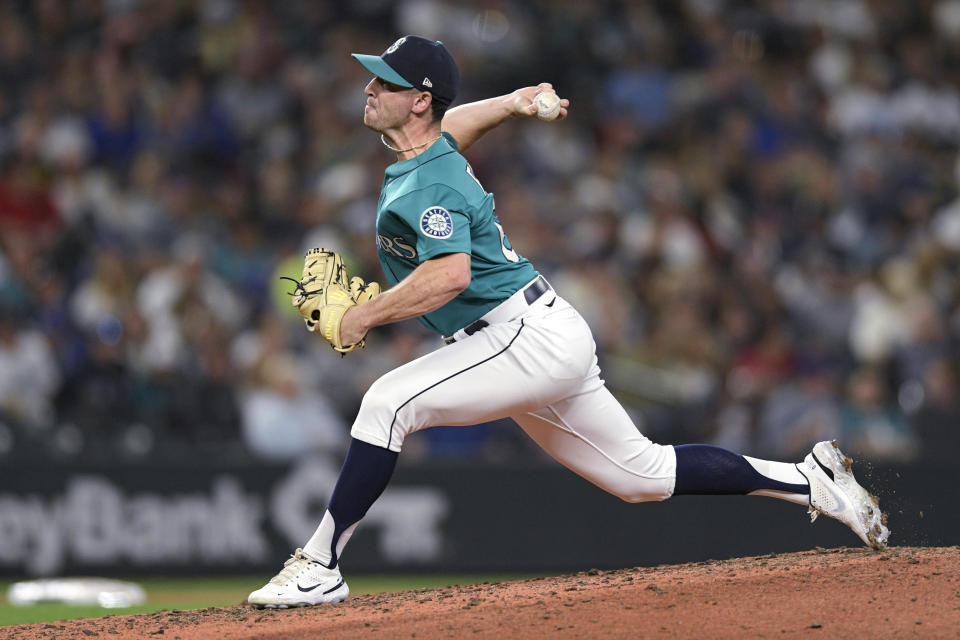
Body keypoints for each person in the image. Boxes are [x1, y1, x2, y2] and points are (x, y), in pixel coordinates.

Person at [247, 36, 889, 609]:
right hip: (535, 332)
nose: (369, 87)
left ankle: (320, 564)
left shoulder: (429, 183)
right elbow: (457, 122)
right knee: (643, 477)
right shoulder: (429, 153)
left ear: (419, 100)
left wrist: (363, 316)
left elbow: (449, 278)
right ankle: (812, 482)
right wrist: (518, 101)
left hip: (518, 338)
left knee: (386, 402)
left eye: (384, 81)